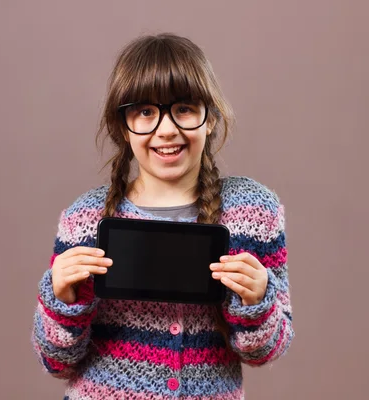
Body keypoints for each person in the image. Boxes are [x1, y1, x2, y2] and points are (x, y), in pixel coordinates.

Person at [31, 33, 294, 400]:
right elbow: (56, 361)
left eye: (183, 108)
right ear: (123, 126)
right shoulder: (83, 219)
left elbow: (265, 351)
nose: (166, 129)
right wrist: (61, 299)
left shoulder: (252, 211)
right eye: (145, 112)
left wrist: (258, 299)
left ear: (211, 118)